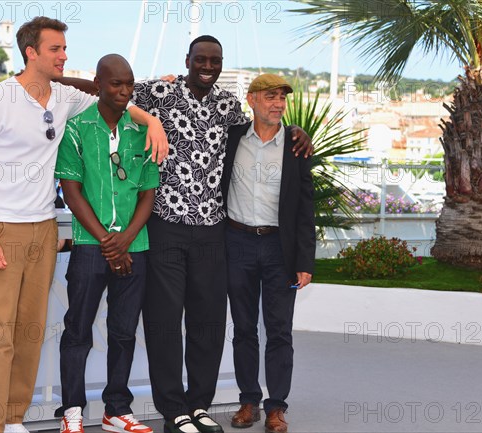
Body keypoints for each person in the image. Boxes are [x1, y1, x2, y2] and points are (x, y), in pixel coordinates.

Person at [59, 34, 311, 433]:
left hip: (213, 232)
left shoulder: (229, 107)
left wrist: (296, 130)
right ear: (188, 60)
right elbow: (104, 91)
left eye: (215, 60)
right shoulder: (159, 92)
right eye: (201, 59)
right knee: (163, 323)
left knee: (208, 324)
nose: (208, 66)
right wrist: (151, 118)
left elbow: (264, 126)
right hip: (165, 229)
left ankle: (199, 405)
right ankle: (173, 408)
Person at [0, 16, 167, 433]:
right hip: (1, 228)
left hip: (45, 231)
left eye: (64, 49)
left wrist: (152, 121)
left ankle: (15, 417)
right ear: (31, 52)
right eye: (55, 49)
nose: (64, 55)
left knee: (30, 332)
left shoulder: (65, 97)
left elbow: (114, 100)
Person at [53, 54, 159, 433]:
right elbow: (71, 190)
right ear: (97, 84)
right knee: (77, 330)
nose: (124, 91)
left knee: (124, 332)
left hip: (136, 247)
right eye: (116, 84)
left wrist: (126, 240)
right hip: (87, 245)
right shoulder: (76, 128)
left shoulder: (141, 130)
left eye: (129, 84)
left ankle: (116, 409)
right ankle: (73, 411)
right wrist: (106, 242)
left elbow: (148, 192)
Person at [221, 74, 316, 433]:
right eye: (269, 96)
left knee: (279, 331)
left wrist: (304, 261)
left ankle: (276, 407)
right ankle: (249, 402)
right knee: (244, 329)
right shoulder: (231, 139)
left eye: (281, 98)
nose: (277, 103)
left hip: (280, 249)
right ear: (252, 100)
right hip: (237, 242)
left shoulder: (296, 146)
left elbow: (305, 209)